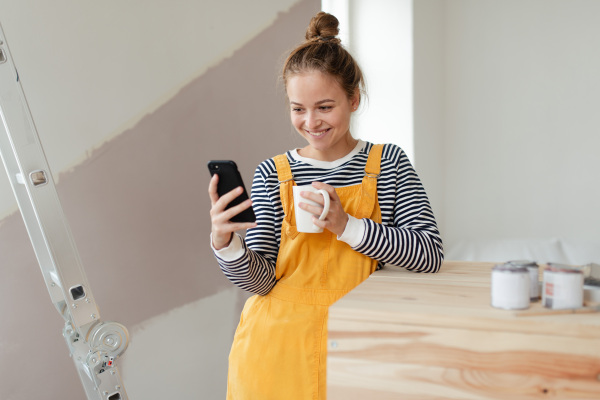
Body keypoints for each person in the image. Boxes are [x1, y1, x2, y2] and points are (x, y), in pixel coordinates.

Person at [208, 11, 443, 400]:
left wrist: (347, 226)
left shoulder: (389, 164)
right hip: (276, 353)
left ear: (353, 99)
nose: (311, 122)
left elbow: (428, 254)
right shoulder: (274, 172)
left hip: (362, 346)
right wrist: (225, 242)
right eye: (298, 108)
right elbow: (263, 281)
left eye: (325, 106)